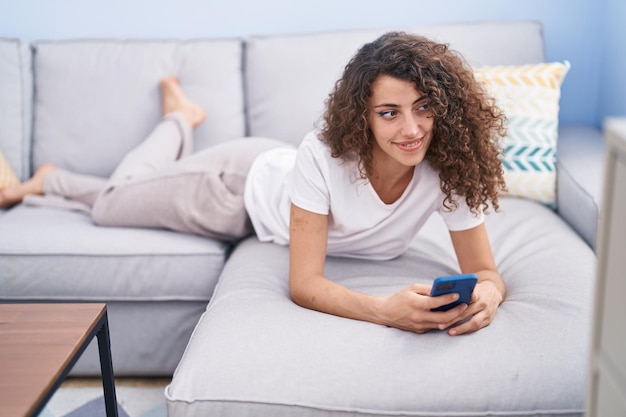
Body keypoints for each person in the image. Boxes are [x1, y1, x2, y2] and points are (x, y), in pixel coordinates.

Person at [0, 32, 507, 336]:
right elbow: (304, 284)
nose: (411, 129)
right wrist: (384, 311)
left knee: (123, 196)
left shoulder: (448, 165)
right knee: (111, 204)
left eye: (423, 108)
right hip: (233, 189)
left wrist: (487, 295)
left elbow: (485, 270)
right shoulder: (323, 154)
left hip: (270, 184)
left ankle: (147, 138)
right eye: (390, 113)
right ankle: (173, 122)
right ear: (364, 118)